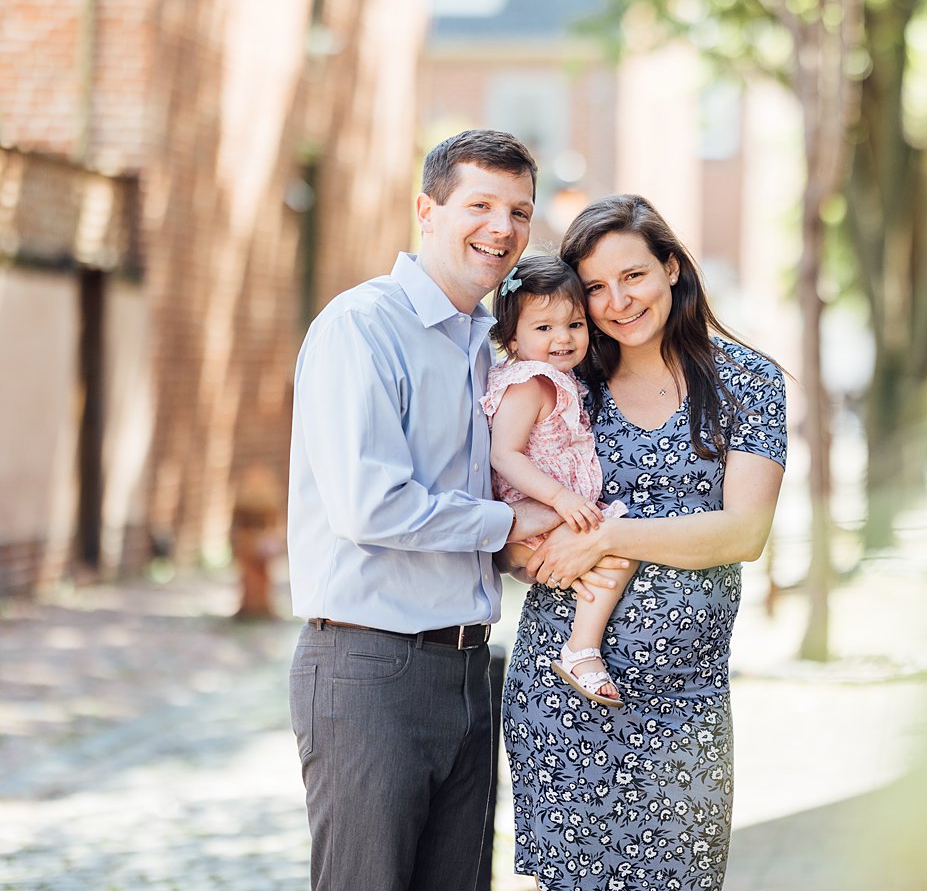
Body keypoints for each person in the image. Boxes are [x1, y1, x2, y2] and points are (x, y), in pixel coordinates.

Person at [285, 129, 626, 891]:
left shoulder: (495, 345)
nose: (501, 228)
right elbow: (371, 505)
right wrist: (513, 526)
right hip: (371, 666)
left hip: (472, 669)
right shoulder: (363, 328)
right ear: (426, 211)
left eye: (518, 210)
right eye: (480, 204)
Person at [500, 193, 788, 890]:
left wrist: (608, 537)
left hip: (682, 701)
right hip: (563, 692)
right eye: (594, 287)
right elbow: (506, 504)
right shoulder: (568, 386)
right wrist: (525, 549)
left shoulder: (747, 381)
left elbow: (743, 532)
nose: (617, 301)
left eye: (633, 275)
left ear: (671, 269)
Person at [480, 255, 632, 707]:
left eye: (575, 324)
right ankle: (581, 650)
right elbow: (502, 454)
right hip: (539, 518)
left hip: (553, 518)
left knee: (614, 551)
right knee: (618, 548)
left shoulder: (560, 379)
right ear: (511, 337)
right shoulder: (528, 383)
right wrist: (561, 498)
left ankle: (581, 645)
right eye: (544, 328)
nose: (563, 338)